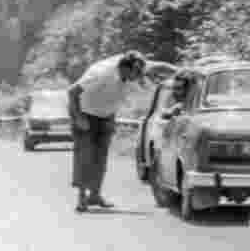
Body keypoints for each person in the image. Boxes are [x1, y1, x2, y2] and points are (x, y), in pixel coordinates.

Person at [68, 51, 176, 212]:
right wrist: (78, 117)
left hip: (106, 115)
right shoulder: (102, 73)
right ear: (124, 68)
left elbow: (160, 66)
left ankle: (95, 196)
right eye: (136, 74)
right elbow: (72, 92)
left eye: (140, 73)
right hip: (85, 113)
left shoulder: (135, 65)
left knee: (101, 157)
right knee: (85, 156)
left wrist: (183, 69)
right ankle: (82, 197)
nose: (138, 77)